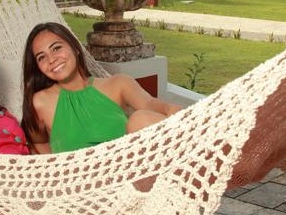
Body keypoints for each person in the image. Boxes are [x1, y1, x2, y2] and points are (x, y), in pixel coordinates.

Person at [22, 22, 183, 154]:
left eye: (56, 48)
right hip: (83, 179)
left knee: (140, 119)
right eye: (41, 57)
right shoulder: (40, 102)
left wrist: (168, 108)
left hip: (128, 168)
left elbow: (148, 103)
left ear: (76, 48)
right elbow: (37, 142)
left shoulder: (118, 84)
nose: (51, 59)